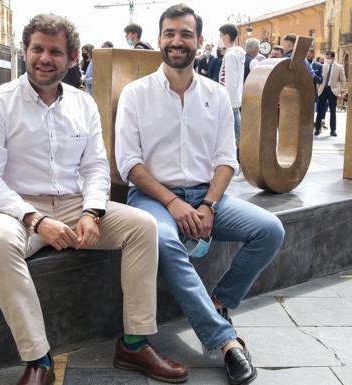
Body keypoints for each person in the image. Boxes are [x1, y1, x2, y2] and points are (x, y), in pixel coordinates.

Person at [0, 14, 187, 385]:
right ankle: (38, 359)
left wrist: (92, 212)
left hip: (74, 204)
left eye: (55, 51)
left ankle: (134, 343)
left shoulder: (83, 105)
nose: (44, 58)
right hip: (17, 207)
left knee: (143, 226)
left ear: (71, 59)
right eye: (37, 48)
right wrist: (35, 220)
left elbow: (96, 167)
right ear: (25, 51)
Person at [115, 4, 285, 385]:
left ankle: (218, 303)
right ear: (159, 39)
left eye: (186, 34)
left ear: (199, 41)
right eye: (170, 33)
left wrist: (208, 204)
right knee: (161, 237)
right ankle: (226, 343)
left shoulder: (217, 95)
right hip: (152, 199)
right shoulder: (135, 94)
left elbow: (226, 160)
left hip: (208, 197)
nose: (177, 41)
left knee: (271, 229)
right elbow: (129, 163)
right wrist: (173, 202)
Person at [218, 23, 245, 163]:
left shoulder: (230, 56)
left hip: (229, 102)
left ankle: (239, 163)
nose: (220, 39)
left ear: (227, 36)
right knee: (235, 134)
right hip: (233, 101)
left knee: (235, 136)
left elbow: (228, 81)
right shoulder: (236, 54)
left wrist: (224, 101)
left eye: (221, 36)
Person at [314, 51, 346, 137]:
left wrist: (339, 90)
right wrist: (317, 89)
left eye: (328, 58)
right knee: (320, 111)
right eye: (326, 58)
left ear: (333, 57)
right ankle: (317, 129)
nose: (327, 59)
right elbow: (319, 79)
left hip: (333, 91)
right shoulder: (323, 66)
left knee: (333, 111)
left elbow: (343, 80)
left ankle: (333, 130)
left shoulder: (339, 67)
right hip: (323, 90)